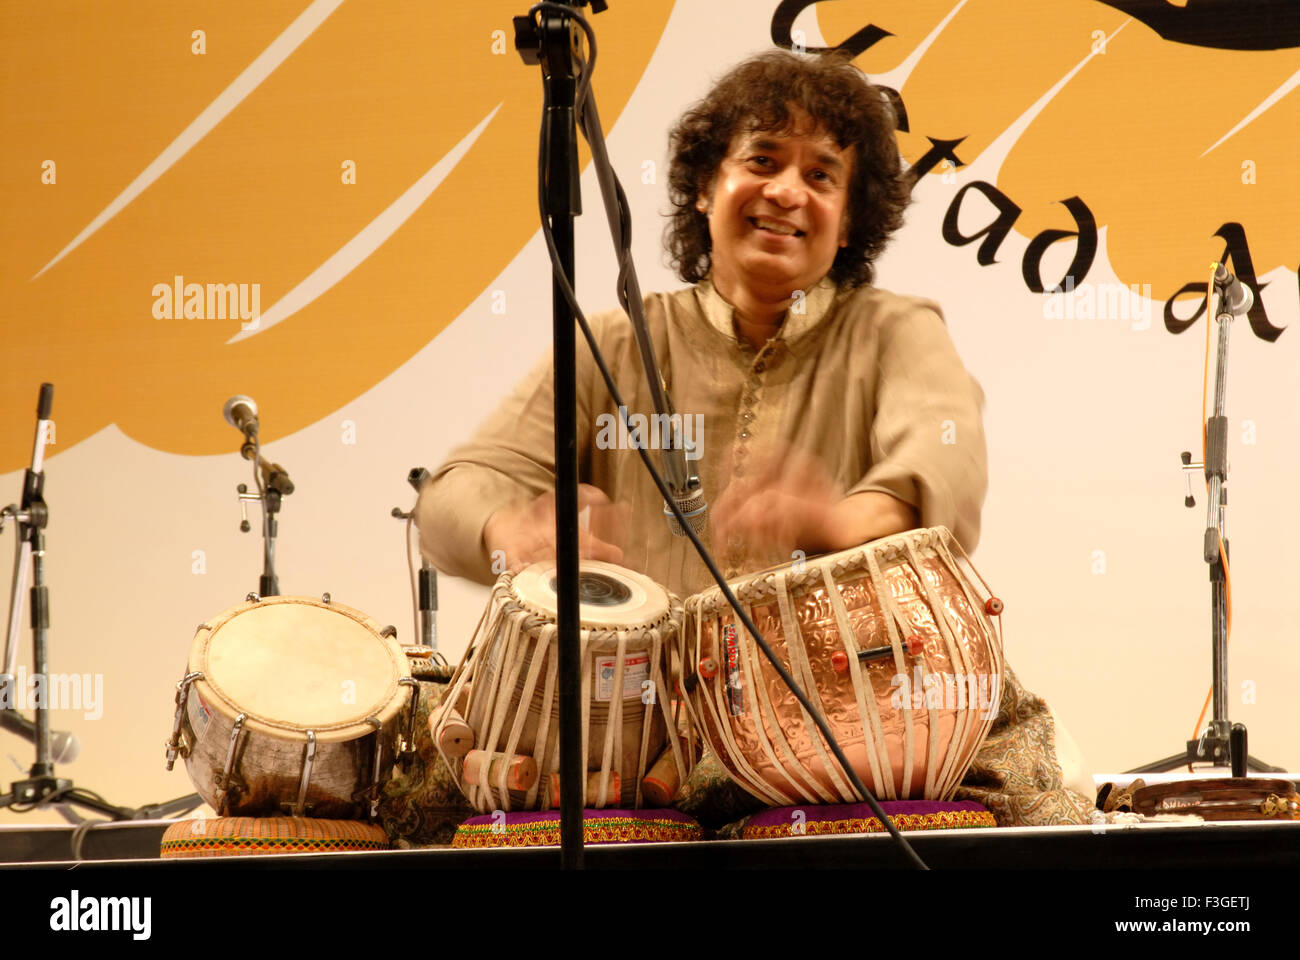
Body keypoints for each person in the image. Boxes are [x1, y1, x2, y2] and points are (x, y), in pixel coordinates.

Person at [417, 49, 1094, 828]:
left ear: (848, 222)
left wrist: (844, 521)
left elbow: (943, 462)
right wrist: (510, 526)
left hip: (843, 722)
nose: (786, 192)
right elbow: (452, 494)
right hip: (640, 727)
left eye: (821, 175)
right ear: (706, 187)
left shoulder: (892, 332)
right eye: (762, 161)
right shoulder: (613, 344)